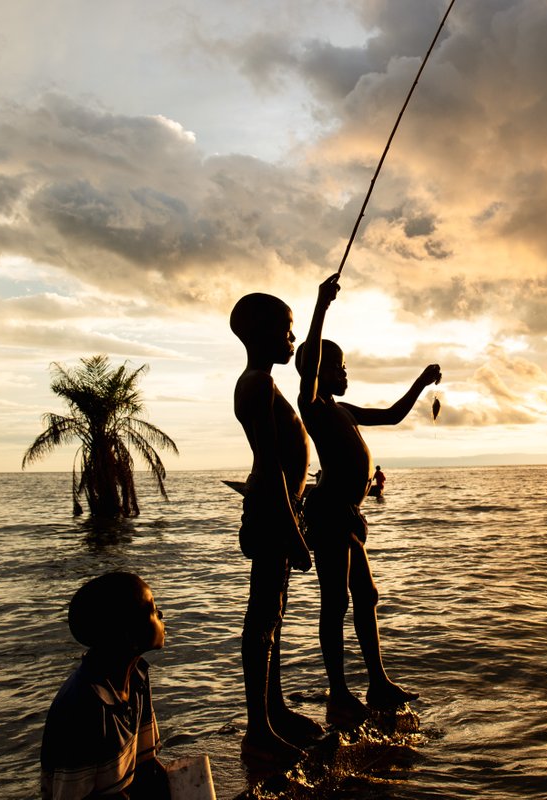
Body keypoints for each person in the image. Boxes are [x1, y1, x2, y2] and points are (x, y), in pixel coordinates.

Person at [295, 302, 441, 727]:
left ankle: (378, 681)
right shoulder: (314, 407)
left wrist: (420, 381)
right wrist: (321, 306)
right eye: (339, 367)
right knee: (335, 601)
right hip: (329, 514)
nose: (345, 374)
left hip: (349, 516)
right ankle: (339, 694)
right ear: (321, 369)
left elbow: (393, 415)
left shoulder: (345, 410)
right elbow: (309, 371)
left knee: (367, 596)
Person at [230, 275, 339, 764]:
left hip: (282, 511)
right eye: (286, 330)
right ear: (260, 332)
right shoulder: (255, 386)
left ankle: (272, 711)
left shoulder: (263, 382)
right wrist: (294, 536)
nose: (292, 341)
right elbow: (272, 465)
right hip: (273, 515)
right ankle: (259, 729)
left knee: (271, 617)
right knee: (262, 621)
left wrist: (320, 306)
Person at [40, 571, 170, 799]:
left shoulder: (137, 677)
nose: (160, 614)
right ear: (128, 635)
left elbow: (146, 765)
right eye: (151, 609)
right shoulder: (84, 706)